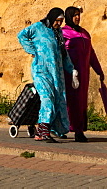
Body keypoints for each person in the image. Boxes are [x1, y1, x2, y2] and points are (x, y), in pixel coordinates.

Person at [17, 8, 78, 142]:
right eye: (57, 20)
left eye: (61, 21)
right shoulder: (38, 27)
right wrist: (32, 50)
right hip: (41, 71)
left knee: (57, 101)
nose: (58, 23)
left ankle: (45, 130)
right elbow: (21, 35)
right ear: (51, 17)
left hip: (56, 73)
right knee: (47, 99)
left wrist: (72, 70)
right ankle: (44, 131)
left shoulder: (58, 33)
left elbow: (64, 54)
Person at [62, 5, 106, 142]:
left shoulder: (85, 33)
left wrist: (99, 70)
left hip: (83, 75)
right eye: (74, 15)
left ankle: (78, 130)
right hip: (69, 73)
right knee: (68, 101)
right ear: (68, 16)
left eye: (78, 14)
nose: (77, 17)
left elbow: (91, 54)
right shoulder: (63, 33)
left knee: (80, 102)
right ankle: (63, 128)